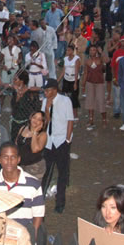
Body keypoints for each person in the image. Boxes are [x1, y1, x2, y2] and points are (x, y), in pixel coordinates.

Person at [0, 142, 45, 238]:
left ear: (18, 159)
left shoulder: (33, 184)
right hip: (0, 238)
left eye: (13, 157)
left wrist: (31, 238)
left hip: (24, 236)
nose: (9, 161)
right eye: (5, 157)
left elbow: (38, 215)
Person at [41, 78, 73, 214]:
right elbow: (45, 122)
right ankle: (40, 198)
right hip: (49, 140)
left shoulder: (65, 101)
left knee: (62, 173)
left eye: (48, 90)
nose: (46, 93)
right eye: (45, 90)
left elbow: (70, 120)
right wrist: (47, 109)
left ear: (55, 90)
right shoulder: (45, 102)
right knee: (46, 170)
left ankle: (60, 202)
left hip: (61, 140)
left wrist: (67, 139)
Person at [15, 111, 47, 180]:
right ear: (30, 118)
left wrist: (35, 132)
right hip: (20, 165)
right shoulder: (23, 128)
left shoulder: (42, 135)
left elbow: (35, 149)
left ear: (42, 123)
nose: (35, 120)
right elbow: (16, 144)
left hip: (35, 167)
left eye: (39, 119)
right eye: (34, 117)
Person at [9, 71, 41, 141]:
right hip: (15, 122)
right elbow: (14, 105)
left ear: (22, 81)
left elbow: (42, 89)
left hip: (26, 122)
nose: (13, 81)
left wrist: (28, 89)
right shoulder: (15, 91)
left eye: (15, 79)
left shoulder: (31, 92)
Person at [83, 45, 108, 128]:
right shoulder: (87, 61)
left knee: (101, 100)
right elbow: (85, 73)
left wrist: (101, 52)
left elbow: (107, 60)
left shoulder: (100, 59)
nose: (92, 52)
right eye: (91, 50)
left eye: (94, 50)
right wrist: (83, 84)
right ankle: (91, 119)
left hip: (99, 83)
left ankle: (104, 119)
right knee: (90, 101)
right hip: (90, 83)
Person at [59, 45, 81, 120]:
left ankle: (75, 115)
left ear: (72, 51)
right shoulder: (65, 59)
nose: (67, 52)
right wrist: (58, 80)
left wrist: (75, 83)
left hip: (73, 79)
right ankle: (66, 113)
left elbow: (76, 71)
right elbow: (63, 70)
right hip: (66, 79)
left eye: (69, 50)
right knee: (65, 96)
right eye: (67, 50)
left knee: (74, 97)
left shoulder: (76, 59)